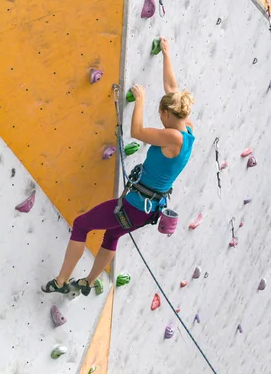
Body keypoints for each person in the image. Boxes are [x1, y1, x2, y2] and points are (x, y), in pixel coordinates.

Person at [41, 37, 196, 296]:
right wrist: (167, 53)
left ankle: (60, 281)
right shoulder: (187, 127)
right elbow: (172, 87)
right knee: (111, 237)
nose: (160, 118)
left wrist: (141, 100)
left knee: (81, 225)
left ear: (168, 115)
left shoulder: (173, 137)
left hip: (134, 206)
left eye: (161, 115)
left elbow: (136, 131)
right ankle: (88, 282)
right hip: (148, 209)